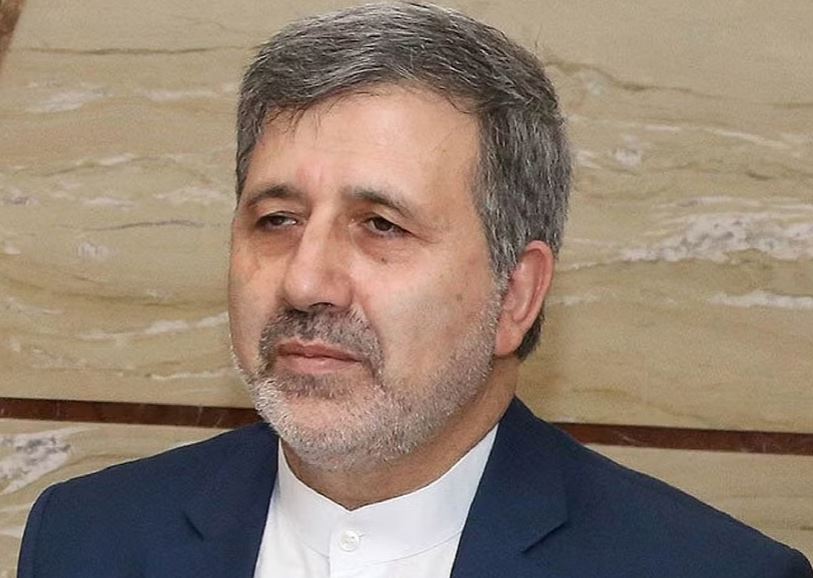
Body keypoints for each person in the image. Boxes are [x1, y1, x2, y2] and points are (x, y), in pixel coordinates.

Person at [17, 2, 812, 577]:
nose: (305, 280)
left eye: (381, 226)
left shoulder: (702, 568)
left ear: (515, 294)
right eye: (277, 219)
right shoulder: (86, 539)